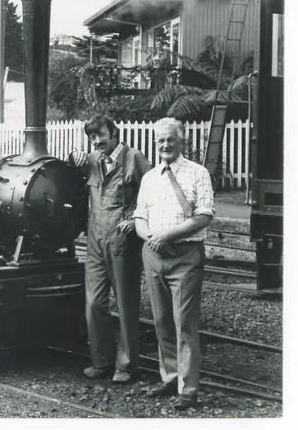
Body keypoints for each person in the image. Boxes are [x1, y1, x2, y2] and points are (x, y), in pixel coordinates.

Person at [133, 117, 214, 410]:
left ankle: (188, 390)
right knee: (162, 320)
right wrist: (150, 237)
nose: (165, 145)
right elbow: (139, 217)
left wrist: (167, 235)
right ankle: (170, 377)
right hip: (154, 255)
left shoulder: (197, 173)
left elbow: (204, 215)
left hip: (185, 256)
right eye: (160, 140)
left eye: (171, 139)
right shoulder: (149, 178)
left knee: (185, 324)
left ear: (182, 141)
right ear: (155, 143)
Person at [69, 115, 151, 384]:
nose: (96, 141)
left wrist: (136, 219)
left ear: (114, 132)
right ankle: (101, 362)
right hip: (94, 241)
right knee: (93, 304)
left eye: (100, 135)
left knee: (126, 305)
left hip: (123, 242)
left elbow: (153, 192)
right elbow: (68, 167)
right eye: (92, 138)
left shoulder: (134, 158)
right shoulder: (92, 161)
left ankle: (126, 366)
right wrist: (74, 155)